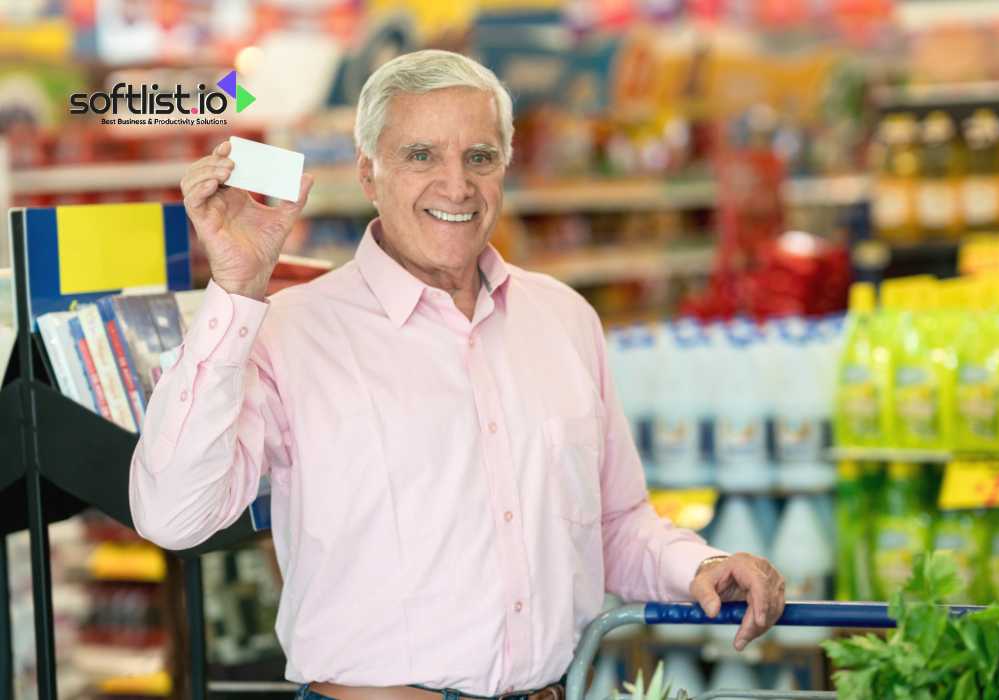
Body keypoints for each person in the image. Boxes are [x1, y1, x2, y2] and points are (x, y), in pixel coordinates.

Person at [129, 50, 785, 700]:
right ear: (367, 172)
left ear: (504, 165)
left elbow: (613, 523)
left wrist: (701, 564)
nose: (457, 185)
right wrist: (237, 290)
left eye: (480, 156)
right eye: (421, 156)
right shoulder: (288, 331)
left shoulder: (564, 319)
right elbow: (172, 516)